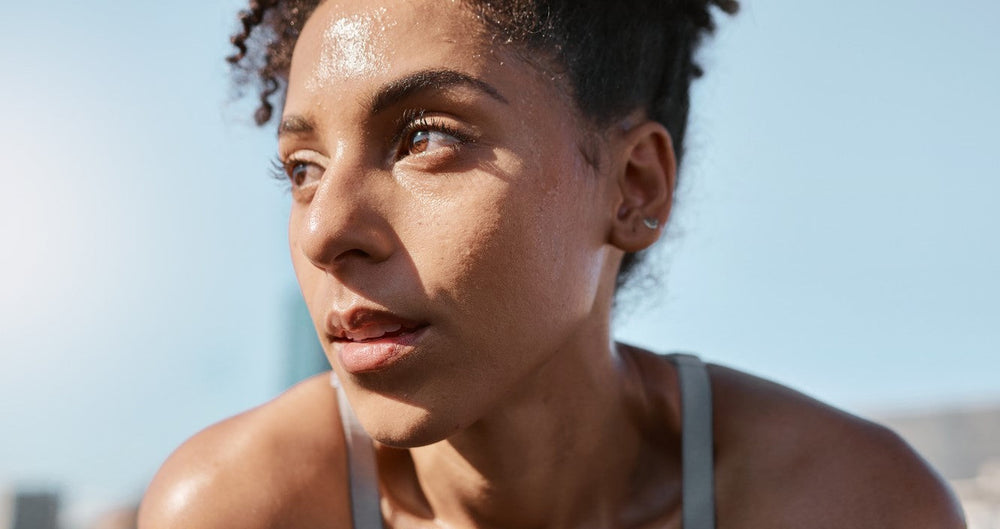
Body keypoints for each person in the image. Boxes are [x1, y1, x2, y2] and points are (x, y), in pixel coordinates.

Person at [138, 0, 966, 527]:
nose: (325, 231)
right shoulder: (239, 509)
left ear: (634, 185)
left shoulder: (846, 505)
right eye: (303, 168)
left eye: (427, 137)